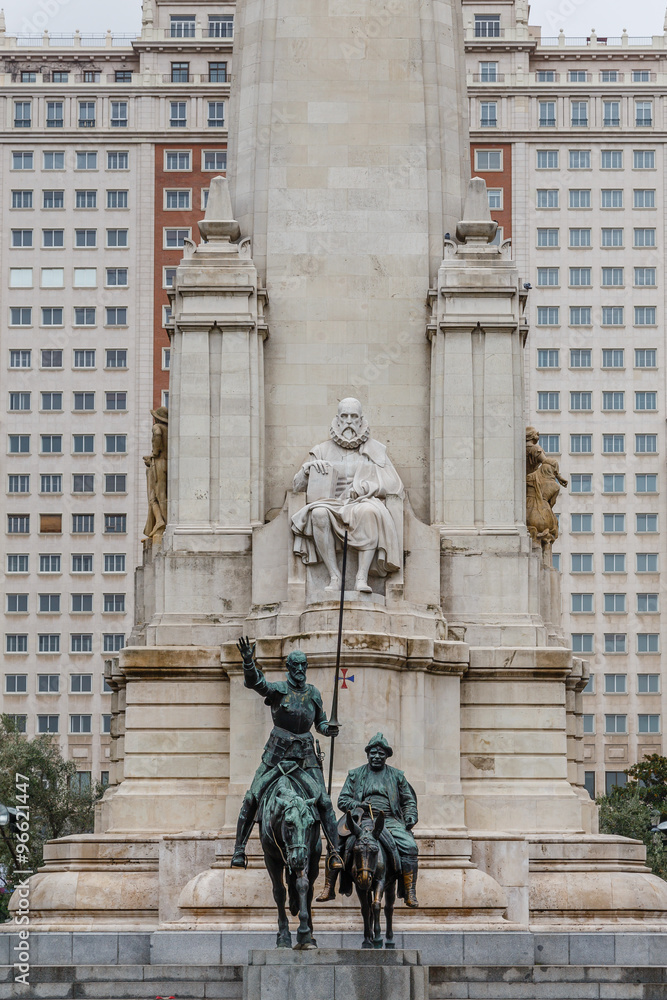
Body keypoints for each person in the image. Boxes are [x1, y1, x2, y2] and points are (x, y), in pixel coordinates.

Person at [231, 637, 344, 871]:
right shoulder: (278, 690)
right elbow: (256, 683)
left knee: (323, 801)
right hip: (276, 756)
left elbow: (320, 723)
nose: (300, 669)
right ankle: (239, 850)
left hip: (306, 757)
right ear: (288, 668)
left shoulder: (313, 694)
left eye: (303, 665)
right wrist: (248, 662)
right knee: (252, 797)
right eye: (295, 665)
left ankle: (334, 851)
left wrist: (327, 729)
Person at [291, 398, 403, 593]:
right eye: (345, 416)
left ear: (361, 421)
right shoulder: (321, 451)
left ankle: (361, 577)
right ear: (337, 419)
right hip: (331, 503)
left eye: (354, 417)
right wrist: (306, 470)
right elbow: (297, 488)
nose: (349, 421)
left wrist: (366, 487)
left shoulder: (374, 450)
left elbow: (394, 486)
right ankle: (334, 576)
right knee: (317, 513)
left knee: (369, 511)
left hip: (360, 502)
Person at [317, 732, 419, 907]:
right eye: (373, 752)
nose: (377, 756)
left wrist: (410, 816)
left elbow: (408, 801)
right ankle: (329, 886)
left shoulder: (397, 776)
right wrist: (359, 804)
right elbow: (342, 800)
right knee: (336, 843)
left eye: (381, 753)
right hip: (360, 819)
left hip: (389, 820)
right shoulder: (355, 774)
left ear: (386, 756)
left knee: (410, 846)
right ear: (368, 754)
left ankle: (409, 890)